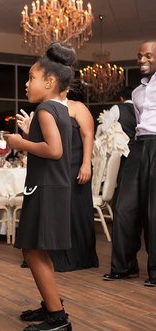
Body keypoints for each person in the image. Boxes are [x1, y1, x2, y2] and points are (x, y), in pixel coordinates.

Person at [5, 42, 76, 331]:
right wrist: (30, 134)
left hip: (45, 188)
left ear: (49, 82)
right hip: (53, 187)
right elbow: (53, 145)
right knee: (36, 249)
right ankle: (51, 305)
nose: (26, 83)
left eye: (31, 77)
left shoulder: (45, 109)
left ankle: (58, 317)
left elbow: (54, 150)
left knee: (32, 250)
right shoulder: (60, 109)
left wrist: (20, 143)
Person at [103, 40, 156, 285]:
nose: (142, 60)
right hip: (138, 145)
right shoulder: (136, 93)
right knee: (124, 207)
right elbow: (138, 123)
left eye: (149, 55)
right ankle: (124, 266)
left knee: (153, 211)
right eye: (140, 56)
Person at [49, 97, 98, 271]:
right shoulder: (45, 109)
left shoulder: (77, 107)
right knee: (53, 211)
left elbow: (88, 135)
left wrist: (86, 164)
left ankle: (80, 256)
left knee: (75, 210)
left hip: (75, 165)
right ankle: (51, 257)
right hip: (52, 168)